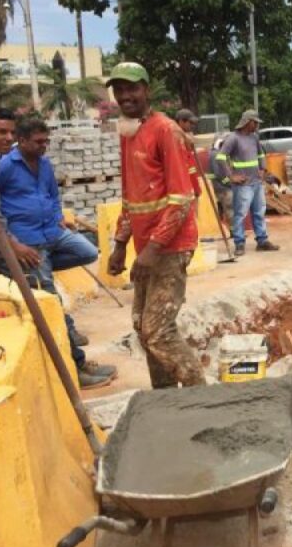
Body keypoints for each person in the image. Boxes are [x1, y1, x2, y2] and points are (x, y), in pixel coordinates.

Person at [0, 118, 117, 388]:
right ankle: (76, 366)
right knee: (50, 301)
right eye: (38, 142)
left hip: (52, 232)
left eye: (46, 141)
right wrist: (13, 243)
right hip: (28, 240)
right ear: (23, 140)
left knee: (87, 251)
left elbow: (51, 195)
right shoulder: (5, 166)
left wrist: (57, 216)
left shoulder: (46, 165)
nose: (44, 146)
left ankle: (44, 268)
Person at [105, 62, 204, 390]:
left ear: (146, 89)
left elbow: (182, 199)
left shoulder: (165, 130)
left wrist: (150, 250)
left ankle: (202, 396)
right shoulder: (129, 131)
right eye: (119, 90)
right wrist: (120, 244)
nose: (124, 96)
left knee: (158, 332)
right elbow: (131, 198)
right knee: (142, 328)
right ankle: (164, 400)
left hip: (169, 246)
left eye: (132, 88)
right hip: (146, 247)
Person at [217, 110, 280, 256]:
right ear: (247, 122)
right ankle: (239, 243)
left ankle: (262, 241)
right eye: (255, 122)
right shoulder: (233, 138)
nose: (257, 125)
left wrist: (263, 168)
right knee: (240, 214)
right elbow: (220, 157)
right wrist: (231, 176)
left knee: (259, 212)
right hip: (243, 185)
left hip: (256, 183)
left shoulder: (254, 138)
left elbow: (260, 154)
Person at [173, 109, 204, 200]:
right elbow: (188, 169)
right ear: (181, 121)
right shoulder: (175, 140)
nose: (192, 126)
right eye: (190, 123)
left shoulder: (184, 139)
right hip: (183, 193)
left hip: (189, 191)